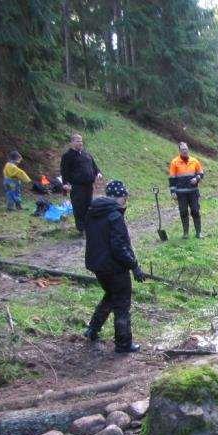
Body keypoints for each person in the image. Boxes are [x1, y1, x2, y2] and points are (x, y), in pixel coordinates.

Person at [83, 180, 146, 353]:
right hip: (114, 267)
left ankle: (92, 329)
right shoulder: (114, 215)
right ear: (119, 197)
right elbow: (119, 247)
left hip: (97, 265)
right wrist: (134, 266)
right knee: (122, 304)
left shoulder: (93, 212)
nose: (125, 201)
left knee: (110, 296)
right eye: (124, 197)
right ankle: (123, 344)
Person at [60, 133, 102, 233]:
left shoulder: (86, 154)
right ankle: (81, 228)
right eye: (78, 141)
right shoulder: (67, 156)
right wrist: (65, 183)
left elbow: (94, 166)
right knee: (79, 207)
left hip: (88, 186)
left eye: (81, 141)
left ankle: (89, 227)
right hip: (76, 186)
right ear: (72, 142)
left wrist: (98, 173)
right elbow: (64, 170)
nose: (80, 143)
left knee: (89, 206)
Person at [168, 142, 205, 238]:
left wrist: (196, 179)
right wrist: (173, 192)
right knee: (183, 212)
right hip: (181, 193)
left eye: (186, 149)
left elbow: (201, 174)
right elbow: (172, 179)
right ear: (179, 151)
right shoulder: (174, 162)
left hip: (193, 192)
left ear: (188, 149)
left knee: (195, 211)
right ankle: (185, 233)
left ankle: (198, 233)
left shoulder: (195, 161)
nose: (185, 151)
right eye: (183, 149)